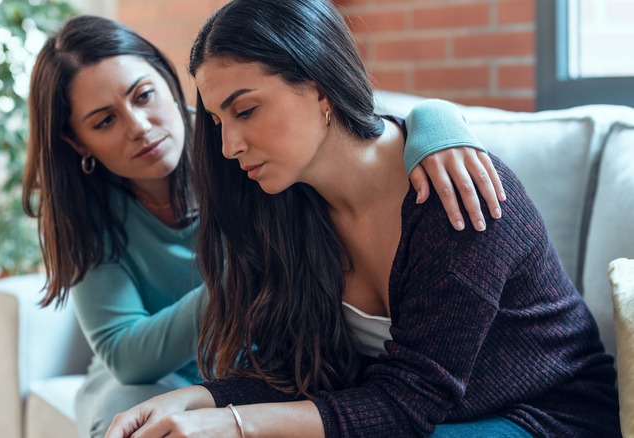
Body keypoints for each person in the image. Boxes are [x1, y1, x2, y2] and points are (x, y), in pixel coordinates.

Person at [103, 0, 621, 437]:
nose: (229, 145)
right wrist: (197, 399)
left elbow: (409, 401)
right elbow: (300, 377)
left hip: (545, 415)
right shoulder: (290, 207)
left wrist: (233, 424)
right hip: (435, 416)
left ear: (320, 88)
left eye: (246, 110)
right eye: (218, 121)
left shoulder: (453, 193)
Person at [22, 14, 507, 438]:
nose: (140, 127)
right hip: (173, 374)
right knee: (125, 411)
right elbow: (127, 358)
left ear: (168, 82)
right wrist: (248, 276)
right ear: (78, 142)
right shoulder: (94, 210)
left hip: (257, 360)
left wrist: (438, 122)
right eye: (104, 121)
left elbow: (350, 121)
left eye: (144, 95)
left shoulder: (250, 150)